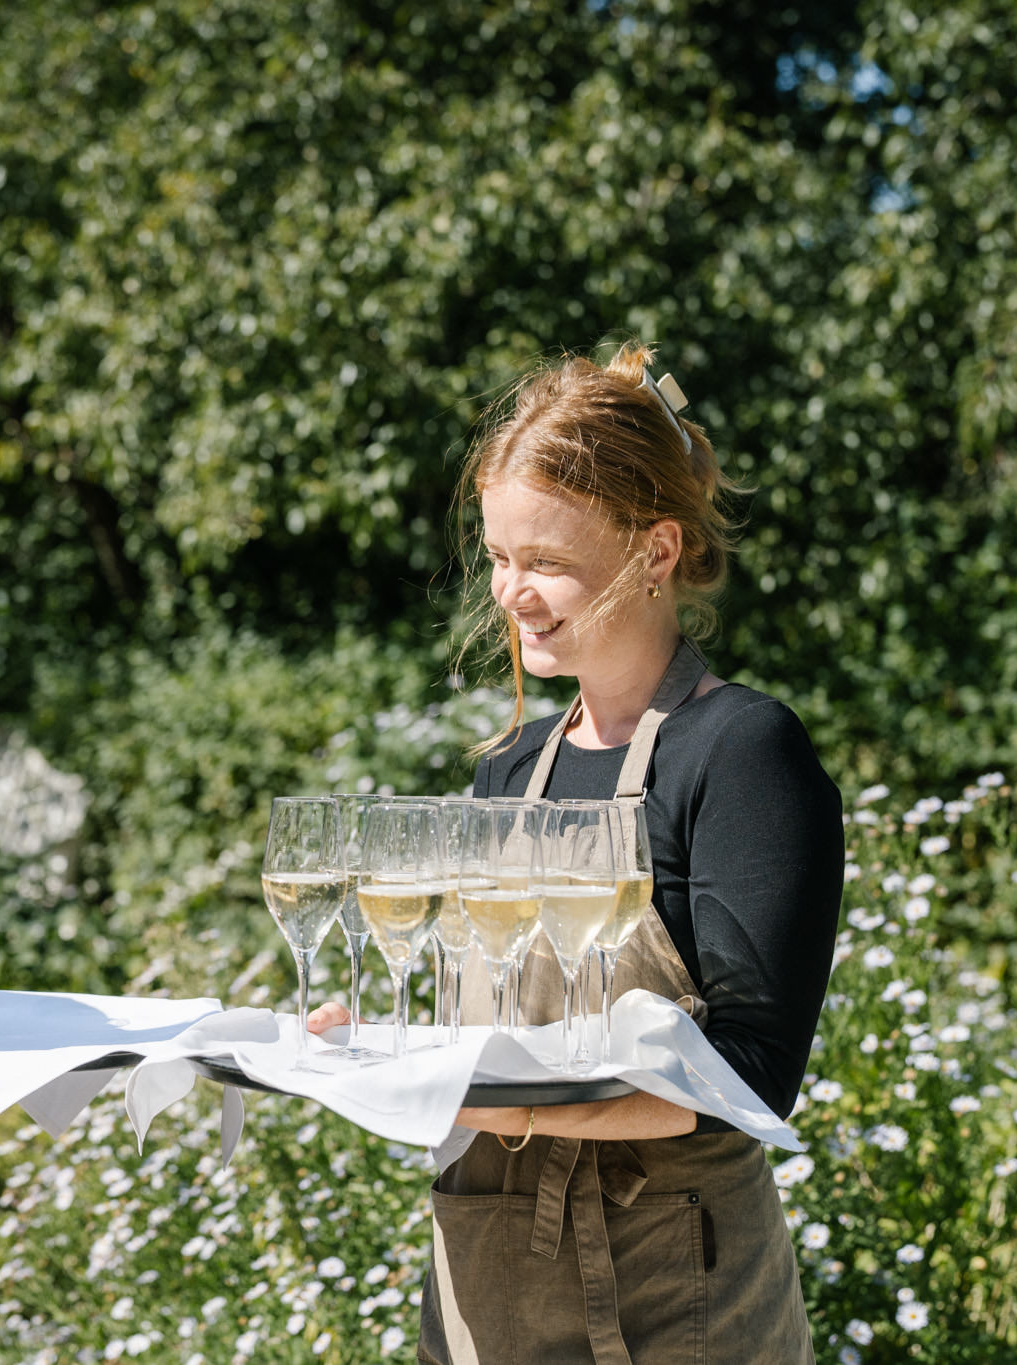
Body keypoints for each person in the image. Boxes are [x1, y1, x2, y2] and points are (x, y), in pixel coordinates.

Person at [322, 342, 841, 1363]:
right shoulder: (508, 771)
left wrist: (482, 1096)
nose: (510, 592)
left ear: (656, 551)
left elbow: (747, 1078)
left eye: (547, 562)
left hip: (673, 1302)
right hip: (485, 1296)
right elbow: (480, 1025)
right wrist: (373, 1044)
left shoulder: (741, 752)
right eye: (499, 557)